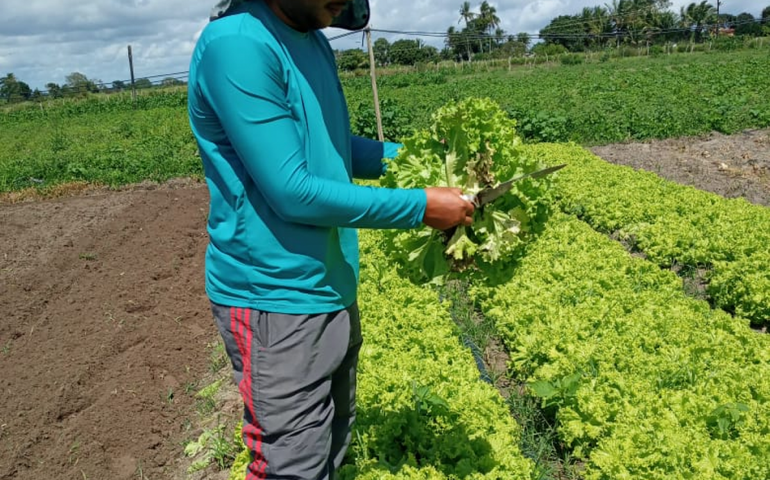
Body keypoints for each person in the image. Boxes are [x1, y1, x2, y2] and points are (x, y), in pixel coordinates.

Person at [187, 1, 474, 478]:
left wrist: (422, 158)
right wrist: (421, 207)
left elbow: (336, 145)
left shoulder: (312, 37)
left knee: (333, 441)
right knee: (291, 464)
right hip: (273, 299)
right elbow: (292, 192)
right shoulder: (238, 44)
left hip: (330, 281)